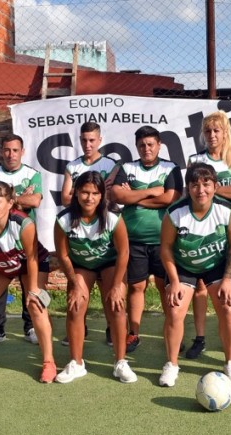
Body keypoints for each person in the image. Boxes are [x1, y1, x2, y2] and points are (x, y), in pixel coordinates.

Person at [159, 163, 231, 387]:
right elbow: (166, 248)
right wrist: (175, 281)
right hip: (184, 266)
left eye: (206, 184)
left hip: (216, 266)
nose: (201, 190)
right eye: (195, 185)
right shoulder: (175, 213)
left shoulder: (227, 210)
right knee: (175, 311)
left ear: (215, 186)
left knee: (227, 306)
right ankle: (172, 365)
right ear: (188, 188)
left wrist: (227, 280)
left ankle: (230, 362)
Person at [0, 181, 55, 383]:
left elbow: (32, 258)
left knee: (36, 304)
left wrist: (32, 290)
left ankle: (49, 362)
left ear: (10, 203)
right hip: (0, 266)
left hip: (29, 263)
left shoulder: (24, 223)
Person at [53, 171, 136, 383]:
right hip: (82, 266)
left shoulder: (112, 217)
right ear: (76, 193)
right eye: (84, 192)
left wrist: (117, 285)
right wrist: (74, 283)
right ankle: (76, 363)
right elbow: (62, 255)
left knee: (117, 305)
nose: (89, 198)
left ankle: (120, 362)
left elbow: (124, 252)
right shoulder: (64, 219)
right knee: (76, 304)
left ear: (102, 195)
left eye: (94, 193)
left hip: (109, 264)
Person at [111, 126, 183, 353]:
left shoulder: (170, 167)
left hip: (164, 241)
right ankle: (134, 333)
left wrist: (134, 197)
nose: (146, 149)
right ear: (137, 146)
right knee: (137, 286)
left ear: (159, 144)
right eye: (142, 145)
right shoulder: (126, 167)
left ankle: (172, 332)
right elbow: (118, 195)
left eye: (150, 144)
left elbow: (171, 198)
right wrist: (151, 192)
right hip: (133, 239)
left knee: (166, 286)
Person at [184, 111, 231, 360]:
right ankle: (200, 338)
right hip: (200, 227)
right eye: (208, 131)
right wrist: (225, 189)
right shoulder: (195, 159)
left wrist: (210, 188)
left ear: (225, 133)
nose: (212, 135)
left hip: (227, 227)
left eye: (216, 131)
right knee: (199, 285)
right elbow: (190, 192)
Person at [0, 134, 44, 347]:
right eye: (7, 150)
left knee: (29, 283)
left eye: (15, 150)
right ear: (1, 152)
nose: (11, 154)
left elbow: (35, 200)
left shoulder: (32, 174)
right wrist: (18, 200)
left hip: (24, 238)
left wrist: (9, 200)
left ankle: (30, 327)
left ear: (22, 152)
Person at [61, 121, 120, 347]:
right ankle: (78, 328)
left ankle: (111, 329)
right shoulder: (72, 166)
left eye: (92, 140)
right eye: (84, 140)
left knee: (109, 285)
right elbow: (65, 198)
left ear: (100, 140)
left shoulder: (112, 164)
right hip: (78, 227)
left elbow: (114, 196)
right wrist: (95, 193)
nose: (87, 144)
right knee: (75, 285)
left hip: (104, 227)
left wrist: (83, 194)